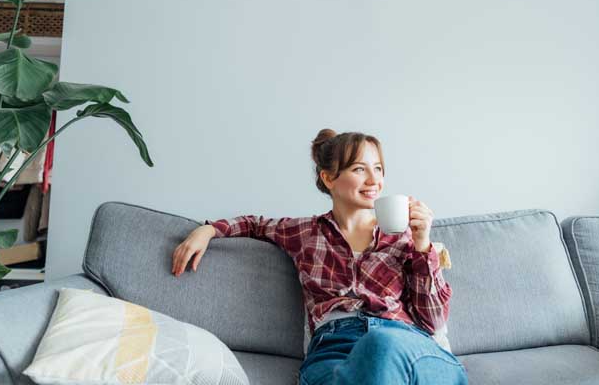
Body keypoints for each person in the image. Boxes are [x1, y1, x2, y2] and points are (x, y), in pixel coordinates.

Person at [171, 129, 469, 385]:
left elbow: (431, 321)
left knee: (381, 345)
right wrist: (209, 230)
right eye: (359, 169)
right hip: (333, 352)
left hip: (403, 345)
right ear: (329, 178)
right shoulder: (306, 233)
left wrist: (422, 245)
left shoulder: (405, 236)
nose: (374, 179)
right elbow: (255, 224)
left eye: (378, 168)